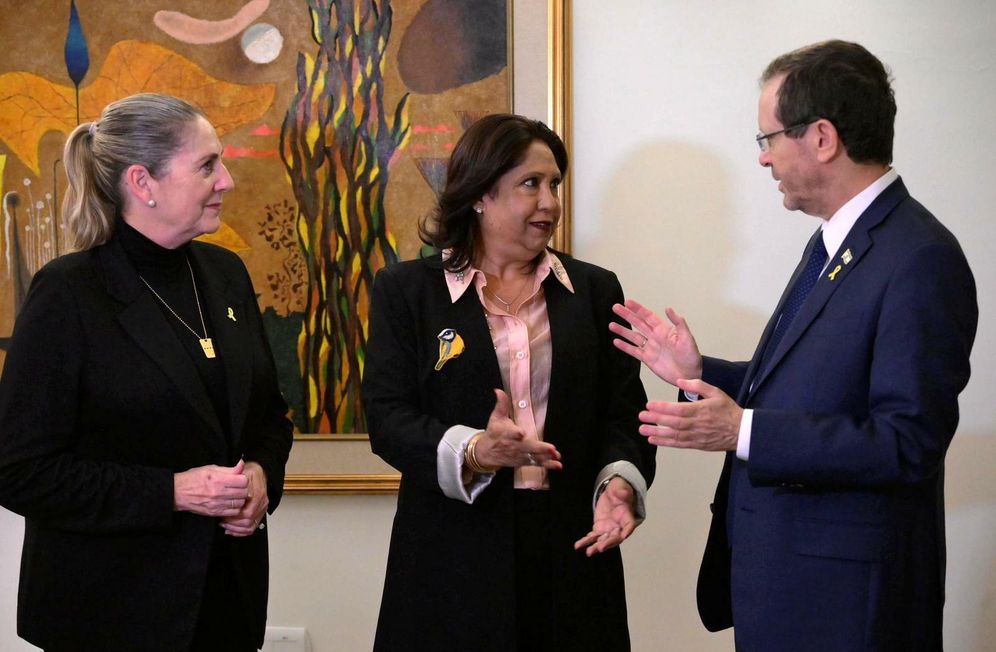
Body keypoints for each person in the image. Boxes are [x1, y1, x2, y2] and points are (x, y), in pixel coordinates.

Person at [612, 41, 977, 651]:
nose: (763, 159)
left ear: (823, 138)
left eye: (768, 139)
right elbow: (814, 384)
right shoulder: (835, 241)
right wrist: (703, 373)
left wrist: (743, 432)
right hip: (787, 589)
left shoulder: (920, 258)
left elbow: (906, 441)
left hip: (846, 610)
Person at [0, 93, 293, 651]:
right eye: (207, 165)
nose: (226, 180)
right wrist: (173, 492)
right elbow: (18, 469)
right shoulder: (69, 294)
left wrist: (260, 474)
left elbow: (269, 417)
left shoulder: (226, 274)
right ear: (143, 182)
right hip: (109, 613)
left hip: (226, 604)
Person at [363, 113, 656, 651]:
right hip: (451, 556)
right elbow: (386, 418)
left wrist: (619, 482)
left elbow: (624, 413)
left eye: (554, 185)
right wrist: (475, 449)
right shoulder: (407, 291)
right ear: (480, 194)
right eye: (531, 184)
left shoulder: (594, 290)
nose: (549, 202)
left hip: (573, 549)